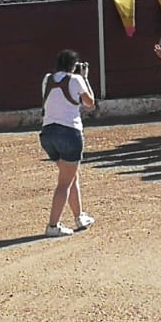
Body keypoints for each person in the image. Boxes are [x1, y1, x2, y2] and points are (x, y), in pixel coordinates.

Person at [39, 50, 97, 236]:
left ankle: (79, 216)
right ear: (74, 65)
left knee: (71, 176)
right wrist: (85, 79)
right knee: (64, 182)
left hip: (48, 134)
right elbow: (90, 103)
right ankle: (53, 226)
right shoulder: (76, 79)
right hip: (69, 133)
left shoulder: (47, 78)